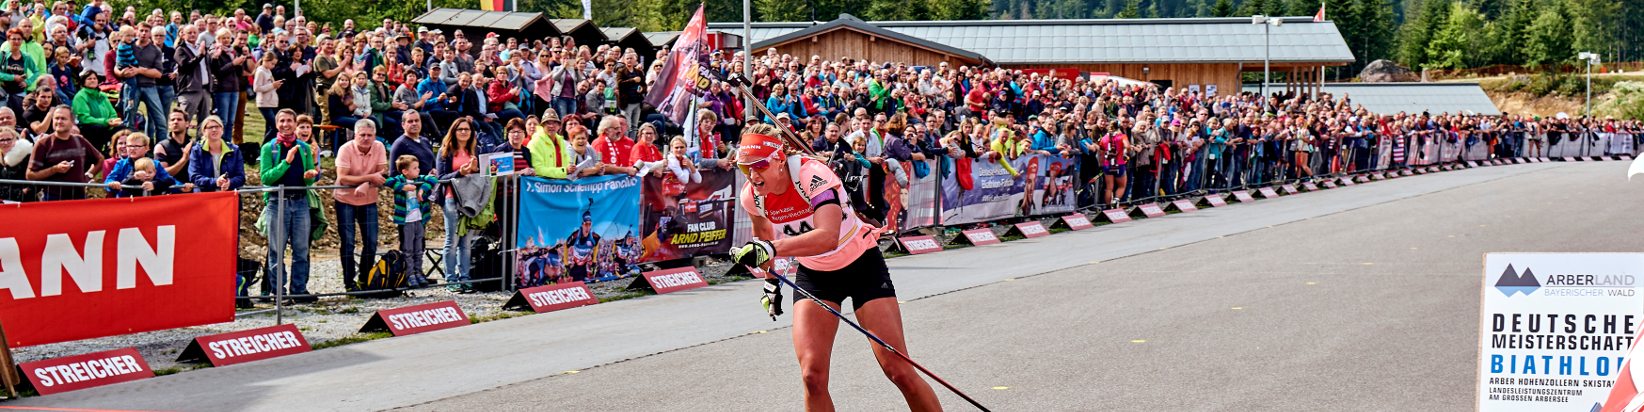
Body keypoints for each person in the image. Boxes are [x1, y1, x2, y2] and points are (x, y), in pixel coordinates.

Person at [728, 124, 942, 411]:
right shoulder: (751, 196)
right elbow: (763, 237)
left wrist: (773, 249)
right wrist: (770, 281)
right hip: (815, 276)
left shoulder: (811, 173)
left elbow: (827, 237)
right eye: (745, 168)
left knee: (899, 370)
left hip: (861, 265)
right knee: (812, 377)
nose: (753, 176)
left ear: (779, 159)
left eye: (760, 166)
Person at [258, 108, 318, 303]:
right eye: (282, 121)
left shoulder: (304, 147)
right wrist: (286, 162)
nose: (286, 124)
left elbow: (308, 178)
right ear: (276, 124)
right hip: (277, 203)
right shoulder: (269, 148)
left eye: (289, 120)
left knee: (301, 249)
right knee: (277, 250)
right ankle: (279, 292)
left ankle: (299, 290)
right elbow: (266, 178)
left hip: (300, 201)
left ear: (294, 123)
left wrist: (309, 177)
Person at [333, 119, 387, 292]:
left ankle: (365, 279)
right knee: (348, 242)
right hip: (345, 199)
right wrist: (369, 179)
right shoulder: (345, 149)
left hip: (368, 199)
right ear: (355, 136)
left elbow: (382, 172)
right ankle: (349, 282)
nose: (365, 138)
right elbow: (343, 177)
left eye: (369, 135)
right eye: (362, 135)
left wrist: (367, 184)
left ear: (375, 136)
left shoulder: (379, 147)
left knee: (371, 241)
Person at [436, 116, 482, 292]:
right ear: (453, 132)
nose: (464, 132)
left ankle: (465, 277)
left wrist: (477, 170)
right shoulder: (445, 151)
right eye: (460, 129)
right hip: (452, 198)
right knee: (452, 240)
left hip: (471, 200)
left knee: (466, 242)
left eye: (467, 129)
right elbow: (441, 178)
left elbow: (483, 174)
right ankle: (450, 279)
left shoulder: (476, 150)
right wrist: (459, 173)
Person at [28, 105, 102, 200]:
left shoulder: (80, 141)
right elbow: (30, 175)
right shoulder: (43, 143)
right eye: (56, 118)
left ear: (72, 122)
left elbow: (100, 159)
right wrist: (55, 169)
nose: (59, 122)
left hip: (78, 197)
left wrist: (88, 176)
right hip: (52, 198)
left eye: (63, 119)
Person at [384, 154, 436, 288]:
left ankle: (419, 272)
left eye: (418, 167)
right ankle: (409, 274)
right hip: (406, 221)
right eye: (414, 168)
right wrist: (403, 187)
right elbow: (386, 180)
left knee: (419, 249)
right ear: (405, 171)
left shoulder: (420, 179)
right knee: (407, 249)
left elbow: (433, 179)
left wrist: (422, 190)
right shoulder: (399, 180)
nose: (418, 170)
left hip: (419, 220)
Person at [103, 132, 175, 197]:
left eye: (136, 146)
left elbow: (170, 180)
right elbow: (109, 181)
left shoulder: (155, 164)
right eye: (129, 146)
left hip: (150, 203)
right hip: (126, 203)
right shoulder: (121, 164)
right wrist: (112, 184)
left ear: (147, 148)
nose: (132, 149)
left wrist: (154, 184)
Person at [185, 115, 244, 193]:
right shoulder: (196, 151)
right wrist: (215, 182)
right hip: (204, 198)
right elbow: (194, 177)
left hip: (228, 198)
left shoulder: (235, 150)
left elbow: (241, 177)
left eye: (217, 127)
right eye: (210, 127)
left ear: (222, 129)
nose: (214, 130)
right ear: (204, 131)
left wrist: (230, 183)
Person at [388, 109, 435, 176]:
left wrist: (434, 170)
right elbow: (394, 174)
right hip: (412, 185)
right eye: (410, 121)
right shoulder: (399, 144)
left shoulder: (425, 141)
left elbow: (433, 164)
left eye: (417, 120)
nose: (414, 123)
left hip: (430, 183)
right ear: (403, 125)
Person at [0, 127, 32, 201]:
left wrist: (25, 191)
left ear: (14, 140)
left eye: (8, 139)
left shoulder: (25, 156)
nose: (5, 142)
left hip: (23, 201)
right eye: (2, 140)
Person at [252, 51, 281, 134]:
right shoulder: (260, 71)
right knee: (274, 127)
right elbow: (256, 88)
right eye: (272, 63)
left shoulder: (268, 71)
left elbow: (268, 86)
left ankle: (269, 145)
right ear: (265, 60)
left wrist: (275, 86)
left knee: (270, 127)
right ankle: (264, 146)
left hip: (272, 102)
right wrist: (272, 85)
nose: (273, 66)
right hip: (264, 103)